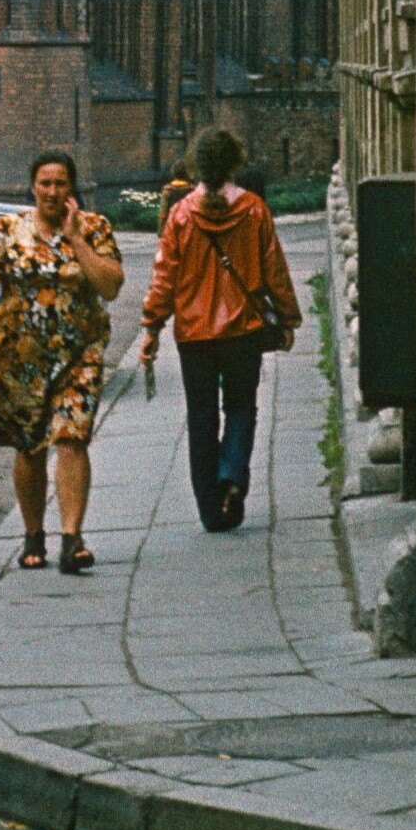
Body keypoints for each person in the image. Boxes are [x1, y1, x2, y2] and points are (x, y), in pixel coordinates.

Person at [0, 150, 124, 575]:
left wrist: (75, 239)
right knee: (30, 445)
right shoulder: (5, 230)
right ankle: (34, 534)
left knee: (73, 438)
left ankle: (72, 539)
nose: (53, 192)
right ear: (33, 187)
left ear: (72, 187)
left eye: (60, 183)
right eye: (45, 183)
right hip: (22, 357)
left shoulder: (95, 228)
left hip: (79, 354)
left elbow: (110, 287)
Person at [138, 125, 301, 534]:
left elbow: (164, 276)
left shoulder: (180, 215)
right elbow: (274, 269)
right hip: (243, 329)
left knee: (201, 417)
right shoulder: (254, 210)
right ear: (235, 163)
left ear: (195, 165)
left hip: (194, 335)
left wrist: (152, 326)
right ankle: (231, 476)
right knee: (242, 407)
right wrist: (288, 318)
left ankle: (210, 510)